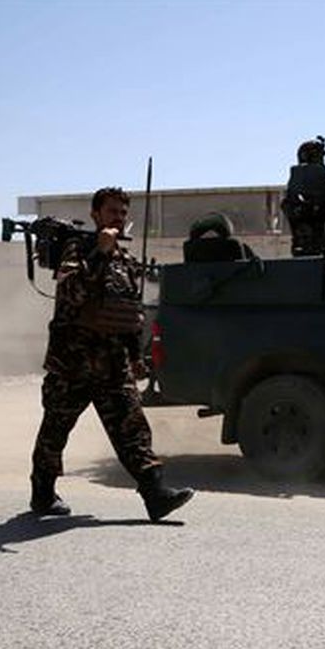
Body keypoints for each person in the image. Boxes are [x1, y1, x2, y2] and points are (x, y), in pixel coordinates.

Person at [29, 187, 194, 521]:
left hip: (113, 365)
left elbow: (130, 314)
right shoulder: (78, 249)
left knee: (132, 428)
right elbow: (71, 292)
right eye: (111, 212)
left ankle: (155, 494)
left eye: (122, 212)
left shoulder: (125, 260)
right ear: (96, 215)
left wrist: (134, 356)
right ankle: (43, 493)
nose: (117, 218)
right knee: (55, 432)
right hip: (72, 363)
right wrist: (100, 253)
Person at [282, 136, 325, 256]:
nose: (321, 160)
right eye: (318, 156)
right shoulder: (304, 174)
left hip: (324, 240)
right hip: (313, 244)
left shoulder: (315, 178)